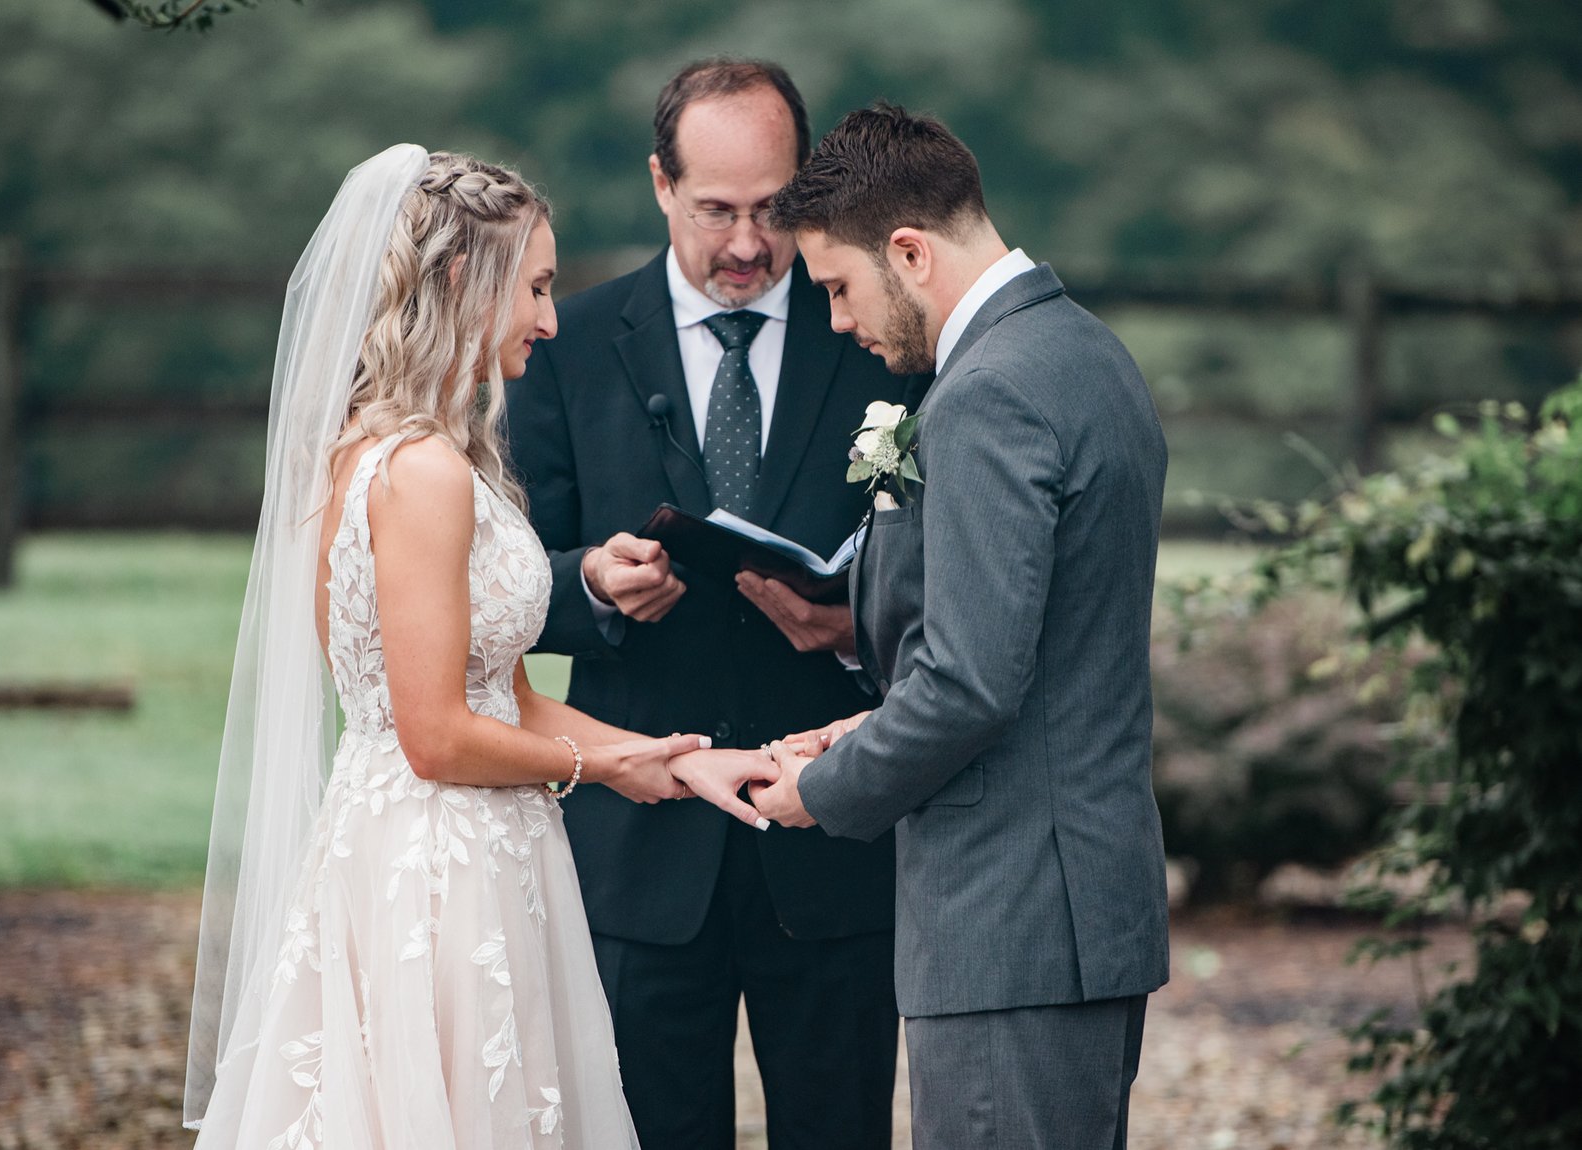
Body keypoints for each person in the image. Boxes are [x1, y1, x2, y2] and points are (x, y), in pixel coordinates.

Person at [182, 144, 757, 1150]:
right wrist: (605, 764)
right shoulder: (421, 474)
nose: (547, 316)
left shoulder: (415, 454)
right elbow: (437, 737)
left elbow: (508, 699)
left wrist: (667, 759)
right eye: (534, 286)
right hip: (435, 867)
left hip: (474, 842)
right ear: (459, 280)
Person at [730, 103, 1173, 1149]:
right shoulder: (1082, 350)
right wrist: (864, 720)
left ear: (909, 251)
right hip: (1071, 906)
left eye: (836, 287)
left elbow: (972, 681)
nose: (835, 321)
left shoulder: (988, 395)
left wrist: (821, 788)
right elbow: (1034, 641)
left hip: (1007, 913)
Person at [504, 58, 917, 1149]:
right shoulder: (567, 345)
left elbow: (934, 568)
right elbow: (495, 578)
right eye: (715, 210)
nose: (747, 243)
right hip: (638, 855)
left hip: (831, 847)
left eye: (775, 210)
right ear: (658, 185)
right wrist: (589, 583)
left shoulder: (872, 341)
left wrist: (857, 621)